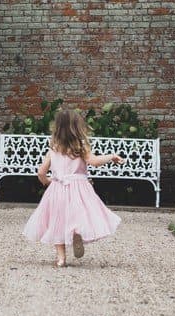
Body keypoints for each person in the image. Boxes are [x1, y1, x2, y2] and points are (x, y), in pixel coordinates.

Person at [22, 107, 124, 267]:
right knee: (79, 214)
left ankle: (61, 258)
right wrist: (111, 156)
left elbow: (41, 172)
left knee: (57, 221)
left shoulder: (54, 149)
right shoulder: (81, 147)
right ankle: (76, 232)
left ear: (57, 128)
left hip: (58, 188)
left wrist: (49, 182)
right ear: (77, 127)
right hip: (80, 188)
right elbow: (94, 162)